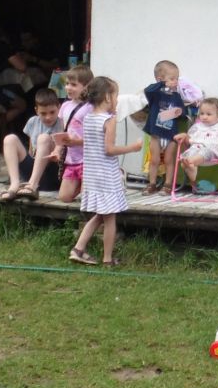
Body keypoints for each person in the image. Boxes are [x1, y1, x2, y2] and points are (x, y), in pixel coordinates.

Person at [69, 76, 141, 267]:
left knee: (100, 214)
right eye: (116, 96)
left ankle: (78, 249)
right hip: (106, 175)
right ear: (108, 97)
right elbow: (109, 150)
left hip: (92, 174)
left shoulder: (88, 118)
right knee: (110, 219)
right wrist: (133, 148)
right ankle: (108, 259)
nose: (117, 100)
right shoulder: (109, 120)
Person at [0, 88, 62, 199]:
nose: (48, 117)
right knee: (9, 139)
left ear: (59, 107)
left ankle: (32, 185)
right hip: (32, 171)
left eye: (52, 112)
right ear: (36, 110)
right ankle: (14, 184)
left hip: (51, 173)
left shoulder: (62, 123)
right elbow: (31, 148)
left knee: (43, 138)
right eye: (43, 113)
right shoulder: (33, 121)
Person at [169, 97, 218, 193]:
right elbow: (190, 140)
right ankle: (191, 167)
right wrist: (184, 136)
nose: (204, 117)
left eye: (208, 114)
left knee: (203, 152)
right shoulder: (198, 127)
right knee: (186, 157)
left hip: (213, 151)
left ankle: (190, 164)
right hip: (196, 149)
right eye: (202, 113)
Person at [141, 59, 188, 194]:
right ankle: (152, 184)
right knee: (154, 160)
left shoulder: (176, 96)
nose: (175, 81)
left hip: (171, 135)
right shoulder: (155, 94)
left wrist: (178, 112)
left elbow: (182, 113)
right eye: (172, 78)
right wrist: (162, 84)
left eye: (177, 78)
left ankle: (168, 184)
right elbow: (147, 90)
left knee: (169, 160)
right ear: (160, 79)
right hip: (156, 134)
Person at [51, 65, 93, 203]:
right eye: (67, 84)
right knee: (64, 197)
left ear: (86, 86)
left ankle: (88, 187)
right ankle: (81, 186)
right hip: (71, 159)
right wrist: (57, 150)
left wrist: (77, 142)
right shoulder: (65, 106)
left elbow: (96, 138)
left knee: (88, 199)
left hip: (88, 160)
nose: (68, 88)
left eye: (74, 85)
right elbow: (62, 132)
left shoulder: (90, 107)